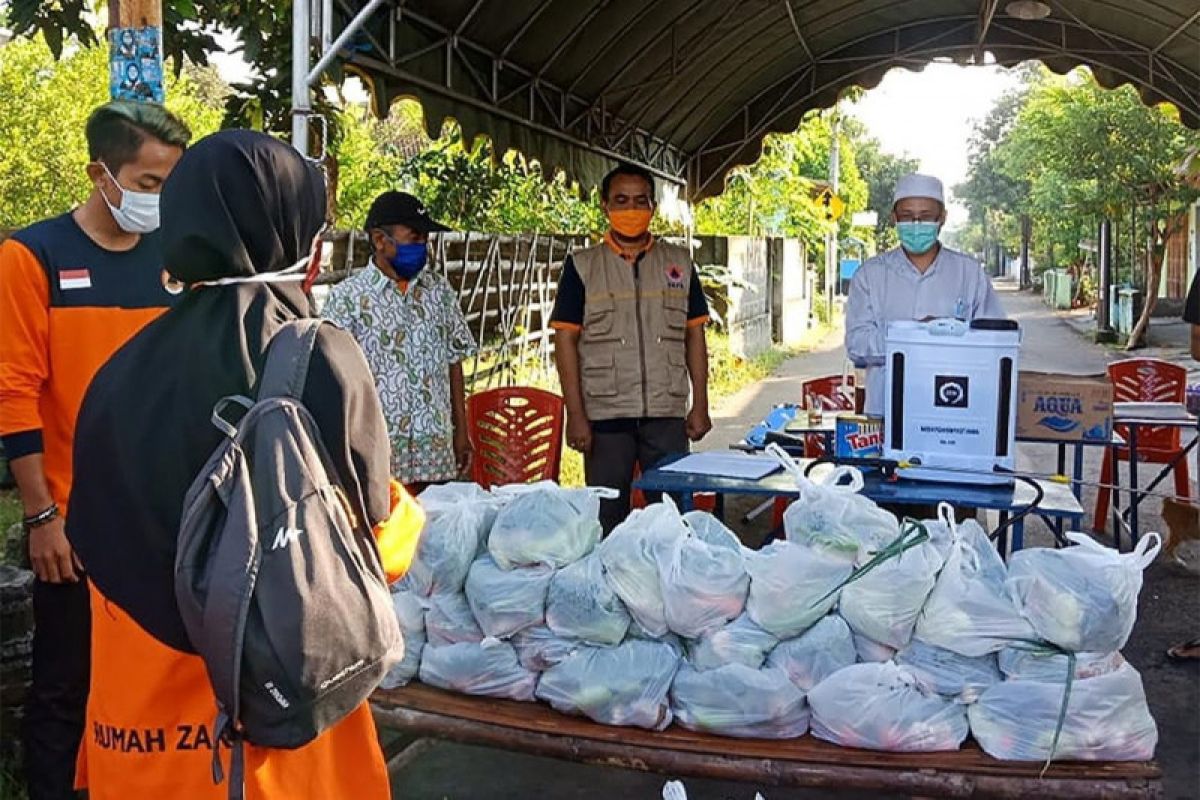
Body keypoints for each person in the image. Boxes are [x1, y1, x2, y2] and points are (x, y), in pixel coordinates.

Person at [64, 130, 423, 799]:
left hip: (138, 736)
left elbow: (95, 535)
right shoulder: (315, 355)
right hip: (268, 738)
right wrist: (410, 516)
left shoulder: (117, 368)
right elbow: (368, 543)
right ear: (294, 232)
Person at [0, 101, 190, 800]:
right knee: (64, 685)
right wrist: (41, 516)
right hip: (73, 525)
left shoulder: (179, 262)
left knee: (151, 679)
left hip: (164, 519)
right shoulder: (33, 257)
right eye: (147, 183)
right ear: (99, 173)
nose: (159, 199)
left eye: (171, 183)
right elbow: (12, 394)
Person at [550, 163, 712, 533]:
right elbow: (566, 341)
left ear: (653, 208)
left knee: (670, 518)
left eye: (640, 201)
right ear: (605, 206)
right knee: (607, 518)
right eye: (621, 200)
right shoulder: (582, 267)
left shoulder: (679, 264)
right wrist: (575, 414)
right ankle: (609, 586)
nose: (631, 209)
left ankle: (666, 586)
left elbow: (695, 337)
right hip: (605, 415)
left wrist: (700, 403)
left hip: (665, 412)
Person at [322, 191, 476, 495]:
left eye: (425, 240)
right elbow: (333, 378)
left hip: (435, 451)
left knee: (435, 533)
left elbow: (453, 361)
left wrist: (462, 431)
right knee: (389, 536)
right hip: (378, 454)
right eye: (414, 238)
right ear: (380, 240)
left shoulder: (438, 291)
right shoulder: (349, 299)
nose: (422, 247)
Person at [845, 173, 1005, 417]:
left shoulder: (969, 273)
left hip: (955, 411)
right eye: (908, 217)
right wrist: (913, 334)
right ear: (894, 218)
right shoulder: (870, 275)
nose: (917, 224)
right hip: (887, 412)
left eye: (926, 217)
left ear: (942, 218)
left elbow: (995, 341)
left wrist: (952, 336)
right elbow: (856, 345)